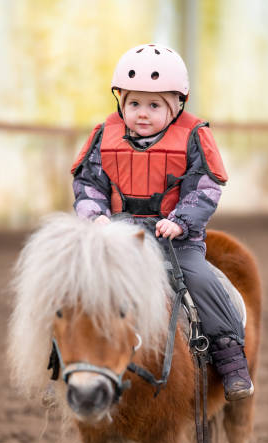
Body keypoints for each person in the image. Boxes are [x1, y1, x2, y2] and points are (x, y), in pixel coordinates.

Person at [70, 43, 253, 401]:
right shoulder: (103, 136)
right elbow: (88, 183)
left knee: (199, 280)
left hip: (175, 239)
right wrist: (94, 217)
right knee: (76, 283)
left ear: (176, 105)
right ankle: (65, 362)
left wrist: (181, 220)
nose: (142, 113)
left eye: (154, 105)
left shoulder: (194, 136)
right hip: (118, 236)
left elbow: (206, 185)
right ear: (120, 102)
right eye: (134, 103)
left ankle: (231, 358)